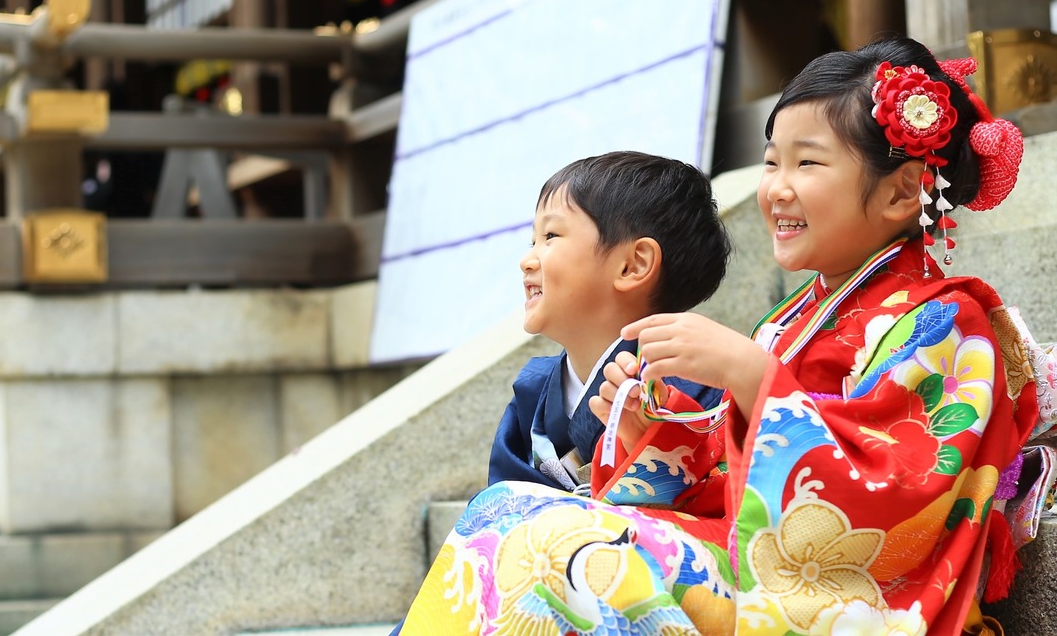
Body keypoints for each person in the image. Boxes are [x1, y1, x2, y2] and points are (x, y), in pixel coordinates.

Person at [395, 36, 1036, 636]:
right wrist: (654, 434)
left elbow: (899, 494)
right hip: (756, 564)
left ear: (902, 192)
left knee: (569, 546)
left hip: (841, 595)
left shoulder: (947, 322)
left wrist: (756, 379)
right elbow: (730, 486)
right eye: (771, 161)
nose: (776, 187)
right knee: (508, 506)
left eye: (807, 162)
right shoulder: (790, 321)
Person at [488, 151, 731, 494]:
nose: (527, 260)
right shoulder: (532, 392)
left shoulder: (703, 390)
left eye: (551, 236)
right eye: (533, 241)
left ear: (633, 265)